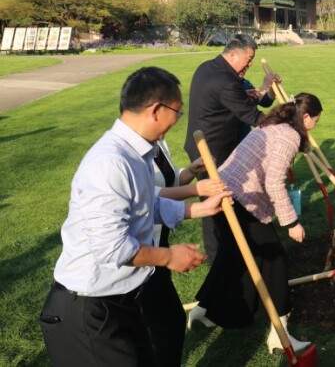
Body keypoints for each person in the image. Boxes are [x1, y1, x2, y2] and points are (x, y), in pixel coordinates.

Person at [39, 67, 230, 366]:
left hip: (124, 298)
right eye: (177, 111)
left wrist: (199, 208)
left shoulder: (138, 153)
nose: (179, 119)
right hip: (89, 309)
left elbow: (147, 204)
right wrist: (168, 257)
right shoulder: (110, 163)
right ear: (156, 109)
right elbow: (111, 248)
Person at [189, 94, 321, 355]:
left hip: (223, 192)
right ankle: (279, 333)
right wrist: (291, 222)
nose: (316, 124)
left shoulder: (274, 124)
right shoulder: (289, 136)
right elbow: (273, 182)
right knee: (275, 260)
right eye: (316, 119)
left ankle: (200, 310)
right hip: (238, 199)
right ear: (306, 118)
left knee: (231, 257)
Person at [184, 34, 279, 262]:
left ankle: (235, 243)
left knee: (227, 198)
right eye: (248, 58)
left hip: (214, 147)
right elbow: (253, 115)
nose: (250, 64)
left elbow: (245, 100)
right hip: (211, 153)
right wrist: (287, 126)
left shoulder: (212, 68)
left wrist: (266, 89)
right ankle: (219, 257)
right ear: (233, 54)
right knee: (214, 203)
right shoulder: (224, 81)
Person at [143, 140, 227, 367]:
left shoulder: (157, 142)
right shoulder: (130, 152)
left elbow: (168, 180)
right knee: (161, 324)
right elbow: (150, 196)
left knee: (170, 320)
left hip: (158, 242)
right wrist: (197, 189)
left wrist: (190, 171)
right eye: (175, 110)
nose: (178, 117)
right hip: (142, 252)